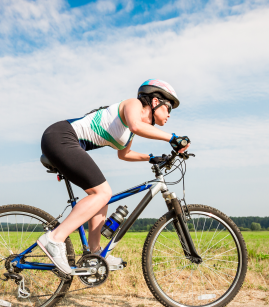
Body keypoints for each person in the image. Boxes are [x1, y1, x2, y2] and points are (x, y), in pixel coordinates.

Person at [37, 79, 191, 275]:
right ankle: (54, 239)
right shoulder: (132, 105)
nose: (169, 113)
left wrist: (151, 158)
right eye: (168, 107)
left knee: (101, 197)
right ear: (154, 102)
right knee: (103, 192)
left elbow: (124, 154)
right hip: (60, 136)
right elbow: (136, 125)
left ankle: (95, 254)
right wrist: (172, 137)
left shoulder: (129, 132)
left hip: (66, 142)